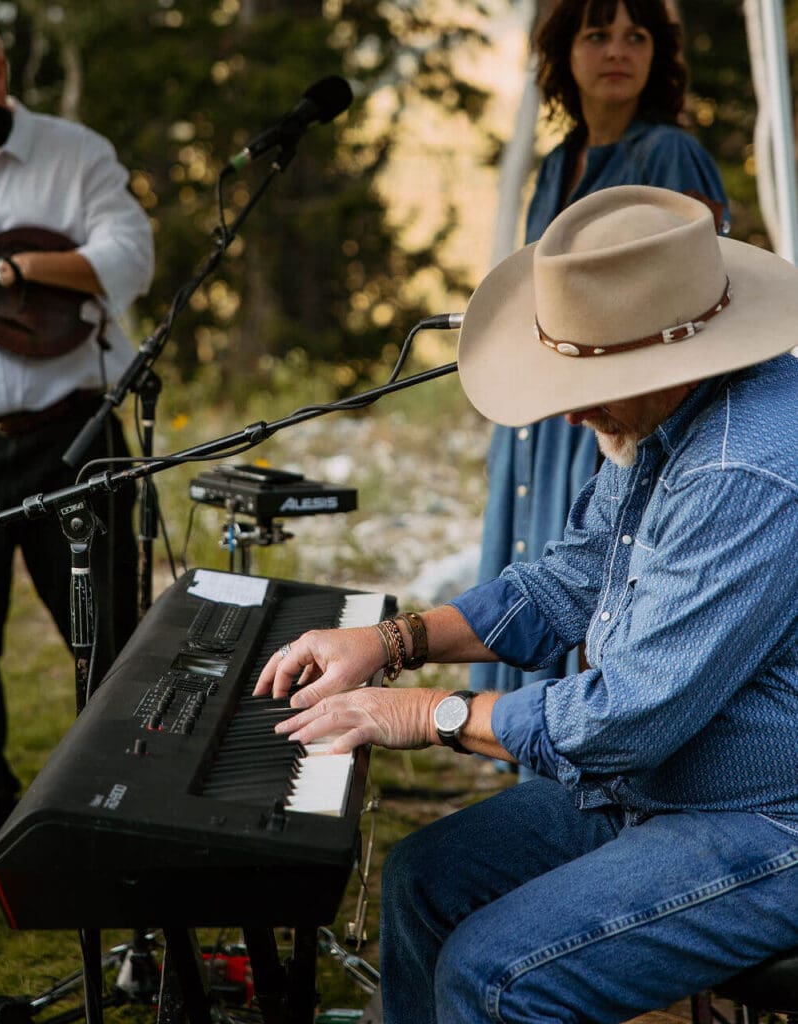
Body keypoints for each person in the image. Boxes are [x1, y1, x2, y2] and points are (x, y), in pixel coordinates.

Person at [255, 185, 798, 1023]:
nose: (573, 408)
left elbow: (627, 718)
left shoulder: (742, 470)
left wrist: (428, 714)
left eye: (598, 378)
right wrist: (391, 641)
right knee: (424, 879)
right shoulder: (665, 418)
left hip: (766, 818)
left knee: (495, 975)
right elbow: (567, 580)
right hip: (666, 785)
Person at [472, 0, 729, 708]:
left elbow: (691, 299)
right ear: (564, 53)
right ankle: (519, 741)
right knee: (536, 562)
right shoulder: (556, 165)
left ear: (656, 55)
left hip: (615, 412)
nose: (616, 49)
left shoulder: (670, 153)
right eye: (595, 34)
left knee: (590, 572)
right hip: (547, 411)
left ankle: (570, 753)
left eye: (634, 36)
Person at [0, 18, 154, 845]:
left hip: (70, 433)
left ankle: (114, 808)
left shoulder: (71, 152)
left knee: (109, 633)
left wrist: (16, 269)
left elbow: (129, 255)